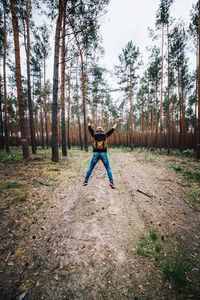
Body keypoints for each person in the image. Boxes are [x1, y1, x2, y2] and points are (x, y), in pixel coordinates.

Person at [83, 116, 119, 189]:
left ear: (96, 130)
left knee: (90, 167)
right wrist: (116, 123)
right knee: (108, 168)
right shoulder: (105, 135)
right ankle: (111, 182)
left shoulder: (94, 135)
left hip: (96, 154)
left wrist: (88, 121)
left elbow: (89, 128)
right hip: (104, 154)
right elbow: (112, 130)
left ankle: (85, 181)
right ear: (102, 130)